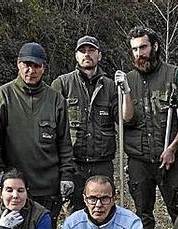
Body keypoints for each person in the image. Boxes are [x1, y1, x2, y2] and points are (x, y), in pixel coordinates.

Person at [0, 42, 76, 229]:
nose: (31, 70)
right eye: (26, 64)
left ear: (44, 68)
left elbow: (64, 142)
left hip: (48, 187)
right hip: (14, 188)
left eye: (36, 65)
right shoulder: (1, 96)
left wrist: (67, 175)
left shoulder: (55, 99)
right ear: (18, 64)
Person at [122, 26, 178, 229]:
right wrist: (124, 90)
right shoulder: (126, 81)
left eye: (143, 47)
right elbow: (126, 120)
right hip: (139, 159)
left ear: (155, 46)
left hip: (170, 159)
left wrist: (173, 148)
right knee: (142, 214)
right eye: (134, 49)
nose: (139, 53)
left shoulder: (176, 76)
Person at [51, 36, 133, 212]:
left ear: (99, 55)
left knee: (103, 211)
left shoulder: (111, 87)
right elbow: (53, 124)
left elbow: (125, 118)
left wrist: (125, 91)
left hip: (102, 164)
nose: (87, 54)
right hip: (73, 164)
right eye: (82, 51)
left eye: (91, 51)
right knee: (74, 214)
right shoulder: (62, 84)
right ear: (76, 56)